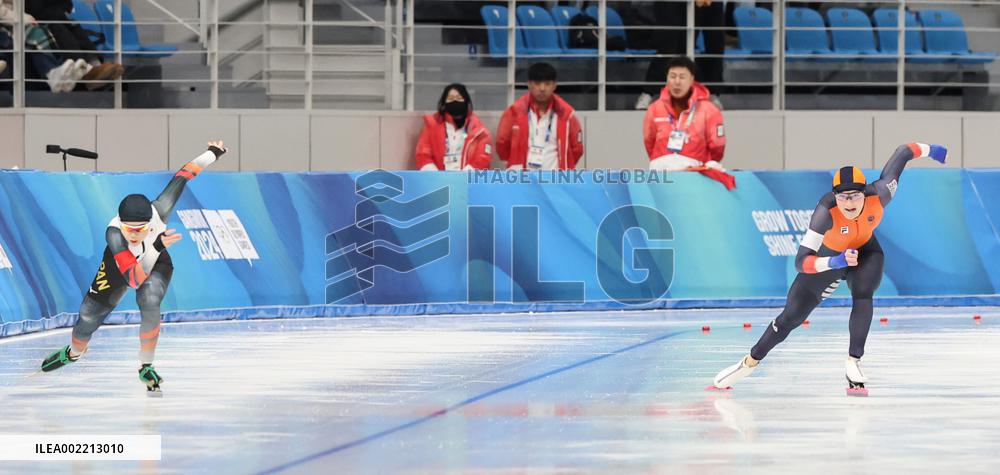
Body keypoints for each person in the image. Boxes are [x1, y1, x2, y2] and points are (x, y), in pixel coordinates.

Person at [711, 143, 949, 396]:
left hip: (866, 252)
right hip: (829, 258)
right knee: (790, 317)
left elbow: (903, 153)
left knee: (863, 293)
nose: (849, 202)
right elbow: (801, 261)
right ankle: (749, 362)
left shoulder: (881, 193)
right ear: (834, 196)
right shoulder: (825, 211)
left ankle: (853, 361)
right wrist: (835, 263)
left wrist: (931, 150)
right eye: (843, 196)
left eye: (855, 195)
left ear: (865, 193)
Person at [40, 141, 229, 396]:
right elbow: (133, 279)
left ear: (151, 221)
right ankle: (73, 353)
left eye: (141, 229)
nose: (135, 235)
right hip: (120, 267)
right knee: (87, 317)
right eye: (130, 229)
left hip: (157, 260)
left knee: (150, 299)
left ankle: (146, 365)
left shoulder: (160, 209)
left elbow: (185, 174)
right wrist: (155, 246)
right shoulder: (115, 236)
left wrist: (213, 153)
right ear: (121, 223)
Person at [642, 56, 732, 188]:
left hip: (695, 177)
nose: (677, 82)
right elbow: (649, 141)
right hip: (661, 176)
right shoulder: (654, 108)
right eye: (673, 76)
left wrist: (694, 160)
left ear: (692, 79)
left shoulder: (709, 110)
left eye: (682, 77)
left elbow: (717, 148)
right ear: (667, 78)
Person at [496, 62, 584, 171]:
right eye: (537, 83)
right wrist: (514, 162)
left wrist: (564, 166)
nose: (542, 88)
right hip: (523, 181)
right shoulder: (513, 112)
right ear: (529, 84)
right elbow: (502, 144)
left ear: (554, 85)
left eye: (547, 83)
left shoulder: (567, 114)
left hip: (555, 181)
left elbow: (577, 149)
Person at [414, 83, 493, 171]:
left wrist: (463, 177)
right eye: (450, 98)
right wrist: (435, 177)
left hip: (467, 181)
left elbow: (482, 158)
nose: (455, 101)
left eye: (459, 98)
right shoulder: (431, 126)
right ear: (444, 102)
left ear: (466, 101)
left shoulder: (480, 132)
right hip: (438, 181)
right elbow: (423, 154)